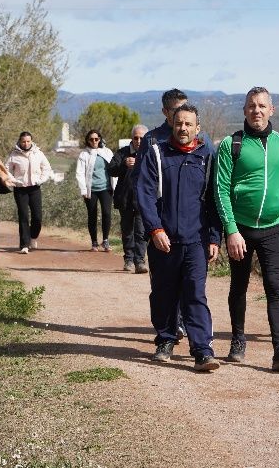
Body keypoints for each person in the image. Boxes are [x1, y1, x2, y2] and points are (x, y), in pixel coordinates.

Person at [214, 86, 279, 371]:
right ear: (244, 110)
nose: (257, 110)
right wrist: (230, 230)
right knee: (238, 286)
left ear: (271, 110)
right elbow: (221, 190)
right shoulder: (231, 144)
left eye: (262, 106)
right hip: (241, 228)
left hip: (273, 228)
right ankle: (238, 341)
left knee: (275, 288)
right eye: (252, 106)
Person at [136, 103, 222, 371]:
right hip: (164, 240)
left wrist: (214, 238)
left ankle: (202, 350)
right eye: (178, 123)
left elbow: (214, 200)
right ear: (171, 125)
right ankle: (165, 340)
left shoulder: (208, 156)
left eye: (188, 124)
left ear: (198, 128)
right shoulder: (156, 154)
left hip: (196, 240)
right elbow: (145, 194)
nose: (182, 128)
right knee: (163, 293)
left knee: (195, 294)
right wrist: (155, 229)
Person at [108, 124, 149, 273]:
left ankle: (140, 261)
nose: (138, 141)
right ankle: (129, 260)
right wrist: (124, 165)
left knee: (141, 232)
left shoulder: (150, 153)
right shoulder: (122, 153)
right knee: (127, 231)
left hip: (143, 200)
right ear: (132, 138)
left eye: (141, 138)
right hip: (125, 199)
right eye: (136, 138)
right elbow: (111, 170)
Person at [5, 131, 53, 253]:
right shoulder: (13, 155)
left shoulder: (38, 153)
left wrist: (41, 180)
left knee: (37, 217)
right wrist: (15, 181)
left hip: (35, 188)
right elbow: (7, 170)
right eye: (23, 141)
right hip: (20, 189)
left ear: (31, 141)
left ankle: (33, 237)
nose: (26, 144)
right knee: (23, 216)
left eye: (28, 141)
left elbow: (46, 168)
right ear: (19, 142)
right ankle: (24, 245)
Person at [76, 130, 115, 252]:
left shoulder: (107, 152)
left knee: (107, 213)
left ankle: (106, 240)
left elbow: (115, 168)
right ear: (87, 141)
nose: (94, 141)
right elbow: (80, 173)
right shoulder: (84, 154)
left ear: (100, 139)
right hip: (91, 189)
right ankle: (94, 242)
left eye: (96, 139)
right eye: (91, 139)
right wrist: (83, 189)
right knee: (92, 214)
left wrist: (116, 186)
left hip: (106, 188)